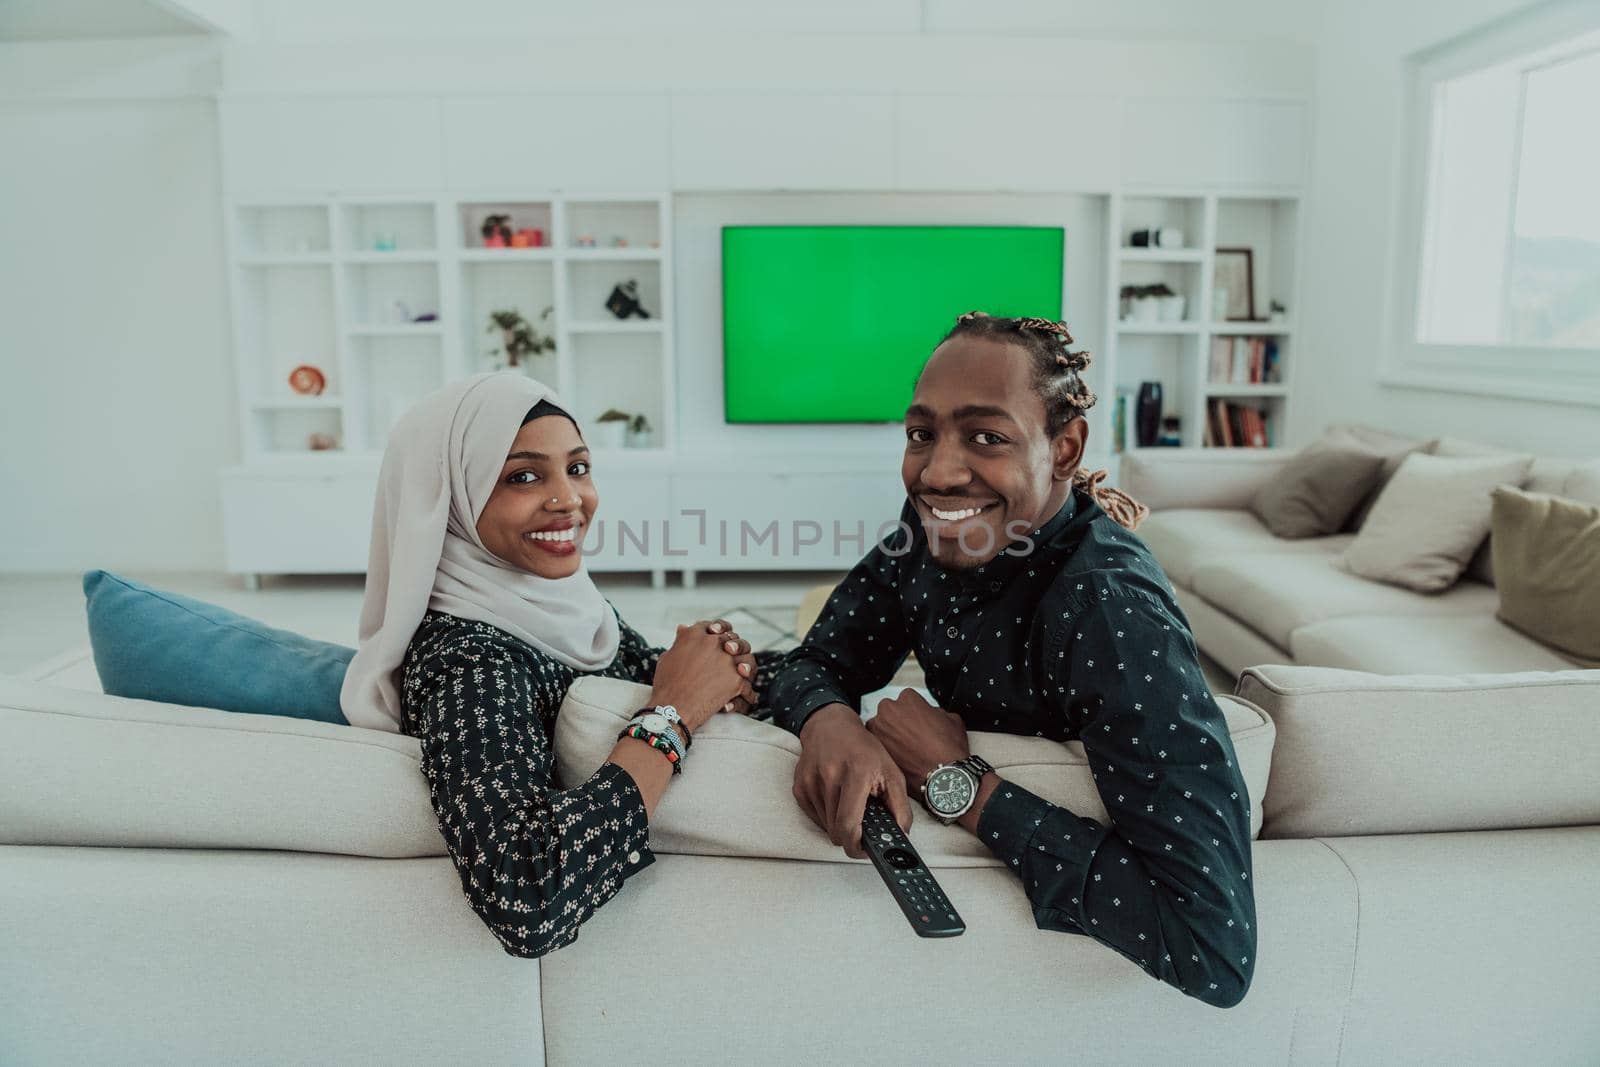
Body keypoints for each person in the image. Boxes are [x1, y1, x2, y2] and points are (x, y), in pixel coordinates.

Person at [766, 312, 1257, 1008]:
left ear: (1064, 448)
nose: (936, 471)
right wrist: (828, 719)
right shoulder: (929, 528)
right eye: (920, 433)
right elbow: (812, 661)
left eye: (986, 436)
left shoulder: (1109, 613)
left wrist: (958, 782)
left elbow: (1213, 946)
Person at [340, 372, 784, 957]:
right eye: (524, 476)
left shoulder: (565, 608)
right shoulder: (471, 663)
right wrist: (669, 718)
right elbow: (528, 896)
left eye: (577, 468)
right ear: (451, 497)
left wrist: (728, 672)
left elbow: (639, 665)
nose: (569, 500)